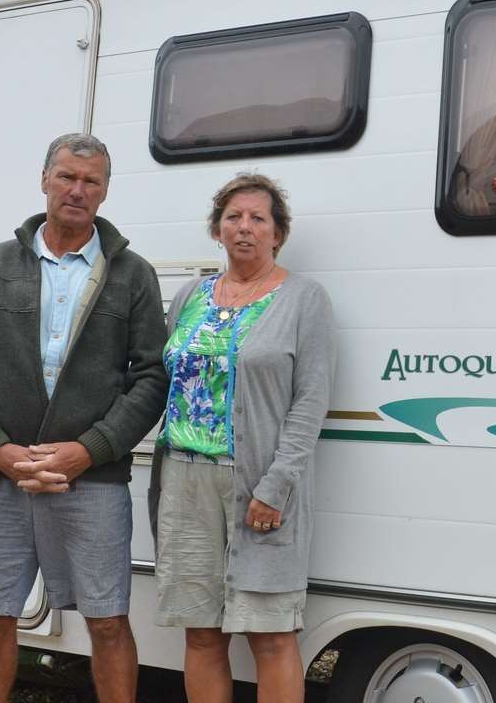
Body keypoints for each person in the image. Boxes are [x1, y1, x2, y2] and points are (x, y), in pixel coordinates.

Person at [0, 133, 168, 703]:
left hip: (91, 477)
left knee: (107, 621)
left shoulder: (131, 274)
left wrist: (90, 448)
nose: (77, 191)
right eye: (67, 176)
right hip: (0, 474)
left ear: (105, 192)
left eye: (91, 181)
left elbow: (152, 377)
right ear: (45, 180)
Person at [149, 172, 336, 703]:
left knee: (270, 632)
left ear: (279, 233)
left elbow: (310, 402)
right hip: (184, 480)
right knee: (202, 631)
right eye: (233, 217)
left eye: (258, 218)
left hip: (258, 484)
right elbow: (166, 382)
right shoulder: (190, 296)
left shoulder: (304, 299)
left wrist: (276, 486)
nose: (245, 228)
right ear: (217, 230)